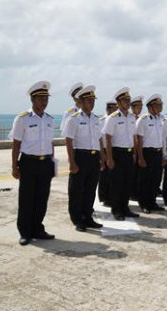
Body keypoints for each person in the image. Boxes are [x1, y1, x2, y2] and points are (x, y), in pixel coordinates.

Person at [9, 81, 56, 246]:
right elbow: (16, 144)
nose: (44, 102)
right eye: (41, 98)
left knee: (42, 198)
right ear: (33, 99)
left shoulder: (49, 120)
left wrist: (52, 163)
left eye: (46, 98)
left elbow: (50, 144)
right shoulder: (22, 118)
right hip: (29, 162)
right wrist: (14, 166)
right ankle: (25, 232)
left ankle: (38, 228)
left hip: (45, 163)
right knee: (27, 199)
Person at [63, 85, 105, 232]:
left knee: (90, 189)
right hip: (80, 156)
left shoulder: (95, 119)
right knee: (77, 190)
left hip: (94, 157)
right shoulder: (73, 119)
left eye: (93, 100)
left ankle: (88, 217)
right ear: (81, 101)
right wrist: (72, 161)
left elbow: (99, 139)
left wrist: (102, 158)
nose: (91, 103)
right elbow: (68, 140)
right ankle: (77, 219)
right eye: (88, 100)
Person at [102, 87, 139, 221]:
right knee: (116, 183)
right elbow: (108, 138)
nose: (128, 102)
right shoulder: (112, 118)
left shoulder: (131, 117)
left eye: (129, 100)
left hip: (129, 153)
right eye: (125, 100)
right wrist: (109, 158)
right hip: (117, 153)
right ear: (118, 102)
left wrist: (134, 153)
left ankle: (125, 207)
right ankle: (116, 209)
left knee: (127, 182)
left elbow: (134, 137)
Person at [135, 94, 166, 213]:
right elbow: (139, 140)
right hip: (147, 153)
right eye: (157, 105)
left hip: (158, 152)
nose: (160, 107)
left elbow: (161, 139)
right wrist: (140, 158)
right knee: (145, 180)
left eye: (160, 105)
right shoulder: (143, 120)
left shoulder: (160, 120)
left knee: (156, 179)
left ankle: (152, 202)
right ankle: (144, 204)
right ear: (150, 107)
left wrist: (163, 155)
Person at [97, 99, 117, 207]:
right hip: (104, 150)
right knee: (104, 176)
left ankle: (112, 196)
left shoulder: (115, 119)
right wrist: (102, 154)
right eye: (114, 108)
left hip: (114, 149)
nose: (116, 110)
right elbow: (99, 138)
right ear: (108, 109)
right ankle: (104, 197)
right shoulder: (102, 120)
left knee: (113, 176)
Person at [128, 95, 144, 202]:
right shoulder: (130, 118)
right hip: (132, 148)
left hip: (139, 148)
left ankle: (137, 191)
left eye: (141, 106)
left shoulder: (139, 118)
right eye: (138, 106)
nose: (140, 108)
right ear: (133, 107)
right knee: (132, 173)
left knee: (138, 172)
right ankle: (132, 193)